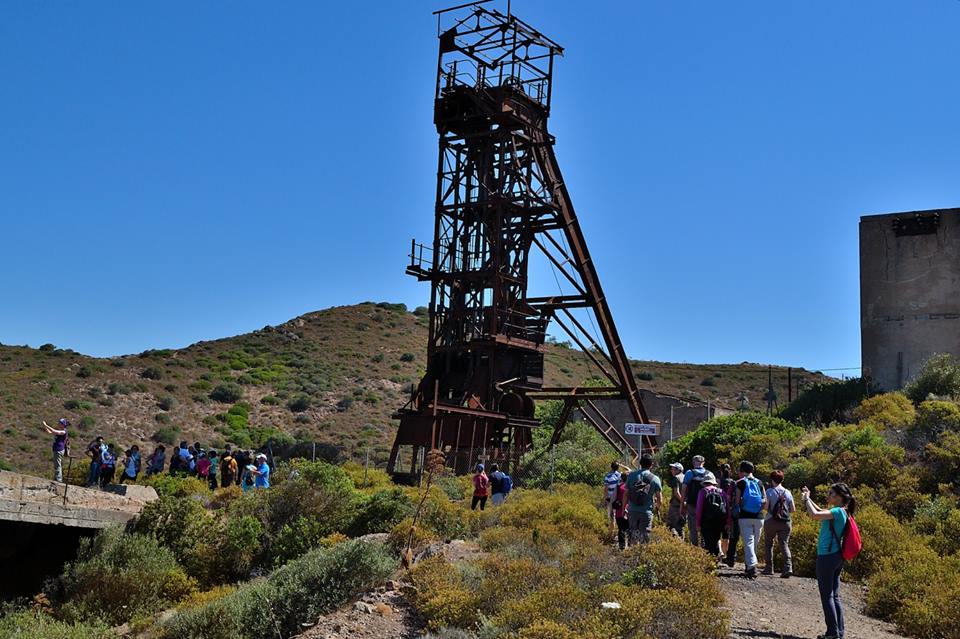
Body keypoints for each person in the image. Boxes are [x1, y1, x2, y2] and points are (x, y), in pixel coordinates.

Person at [802, 483, 857, 639]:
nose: (828, 495)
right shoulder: (843, 512)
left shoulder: (837, 512)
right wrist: (809, 498)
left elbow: (814, 515)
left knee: (827, 596)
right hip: (837, 556)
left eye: (831, 493)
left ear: (839, 496)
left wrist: (806, 500)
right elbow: (819, 511)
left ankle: (832, 633)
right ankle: (838, 632)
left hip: (827, 556)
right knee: (835, 596)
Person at [733, 461, 766, 578]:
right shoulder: (760, 482)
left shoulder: (740, 483)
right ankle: (749, 565)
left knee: (748, 542)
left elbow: (737, 501)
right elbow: (765, 502)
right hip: (759, 517)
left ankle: (752, 568)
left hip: (745, 517)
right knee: (754, 543)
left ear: (742, 471)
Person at [763, 470, 796, 577]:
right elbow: (792, 509)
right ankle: (788, 567)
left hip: (771, 521)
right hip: (785, 522)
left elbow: (766, 507)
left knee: (768, 544)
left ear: (772, 480)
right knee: (784, 544)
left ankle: (769, 568)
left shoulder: (769, 492)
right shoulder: (788, 492)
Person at [625, 453, 662, 545]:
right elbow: (659, 498)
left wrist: (623, 509)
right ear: (651, 465)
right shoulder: (655, 479)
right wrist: (657, 508)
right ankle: (642, 556)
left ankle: (633, 555)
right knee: (645, 536)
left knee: (633, 533)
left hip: (632, 510)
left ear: (640, 464)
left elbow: (625, 494)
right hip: (646, 511)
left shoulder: (631, 476)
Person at [695, 472, 728, 561]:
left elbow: (699, 509)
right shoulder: (721, 492)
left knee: (708, 541)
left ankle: (710, 561)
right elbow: (727, 507)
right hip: (719, 521)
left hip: (706, 521)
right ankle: (716, 559)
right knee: (716, 539)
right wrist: (727, 522)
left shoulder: (703, 491)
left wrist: (697, 523)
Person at [680, 455, 708, 546]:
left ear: (693, 462)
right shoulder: (708, 473)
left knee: (693, 526)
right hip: (705, 504)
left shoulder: (689, 473)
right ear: (703, 463)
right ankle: (705, 546)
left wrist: (682, 504)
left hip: (692, 503)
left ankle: (695, 547)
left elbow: (684, 489)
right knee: (704, 524)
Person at [720, 463, 738, 564]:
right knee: (728, 534)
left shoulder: (719, 482)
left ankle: (721, 553)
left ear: (721, 471)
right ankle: (727, 554)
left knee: (719, 532)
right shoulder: (733, 482)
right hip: (731, 510)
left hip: (721, 509)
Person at [665, 462, 685, 539]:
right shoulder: (685, 477)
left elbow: (676, 492)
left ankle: (674, 544)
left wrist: (681, 501)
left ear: (678, 470)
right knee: (681, 526)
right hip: (684, 506)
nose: (671, 470)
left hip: (675, 506)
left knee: (670, 526)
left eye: (673, 469)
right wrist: (684, 504)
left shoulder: (676, 478)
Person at [603, 461, 622, 531]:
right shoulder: (620, 476)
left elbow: (606, 489)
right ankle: (617, 529)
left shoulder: (608, 477)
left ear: (611, 467)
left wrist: (605, 499)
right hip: (619, 498)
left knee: (612, 516)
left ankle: (612, 532)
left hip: (610, 498)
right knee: (619, 515)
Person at [613, 473, 630, 550]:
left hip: (619, 512)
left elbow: (613, 499)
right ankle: (630, 547)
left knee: (621, 529)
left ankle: (621, 547)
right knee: (630, 529)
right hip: (628, 511)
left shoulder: (618, 487)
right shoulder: (630, 487)